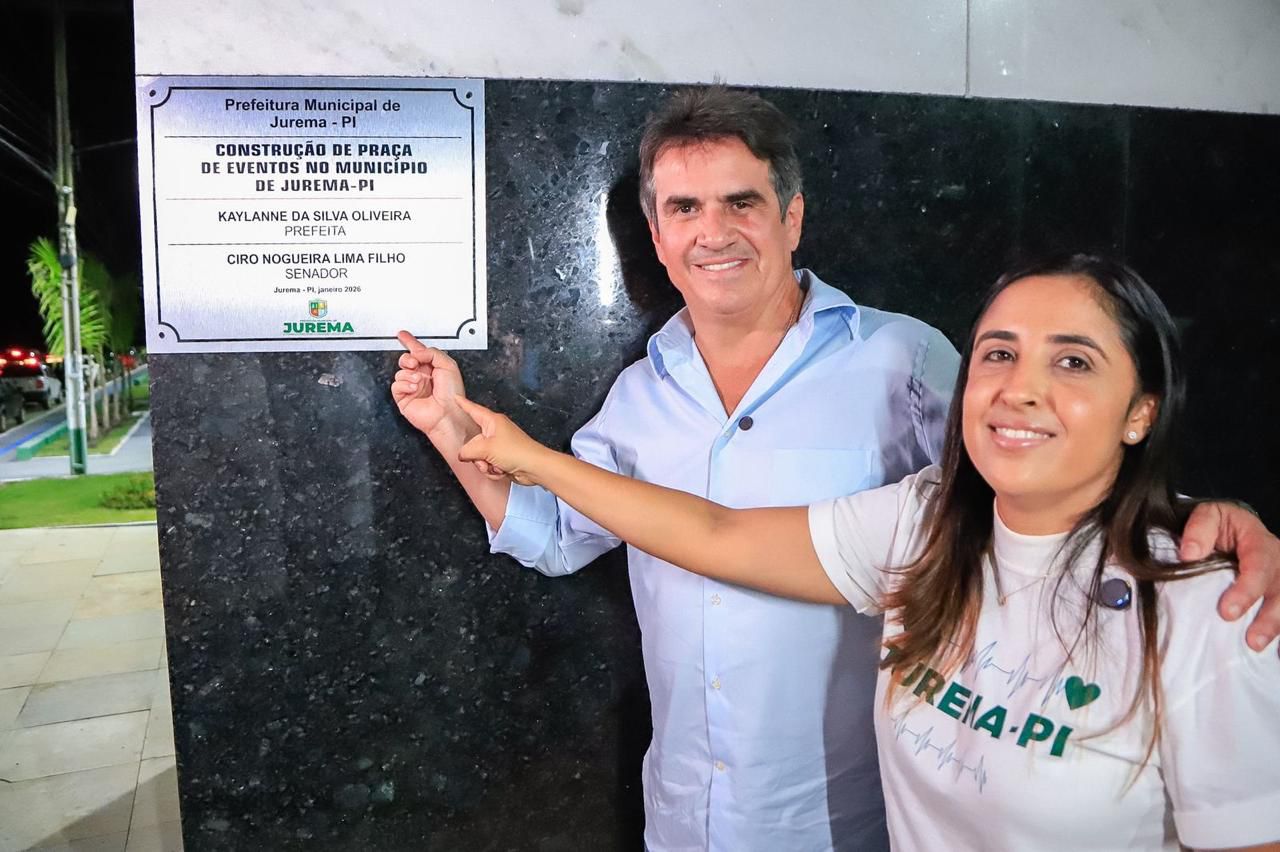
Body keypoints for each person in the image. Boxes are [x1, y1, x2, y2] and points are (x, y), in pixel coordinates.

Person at [392, 88, 1280, 851]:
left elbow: (1028, 473)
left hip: (848, 818)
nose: (713, 233)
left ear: (792, 217)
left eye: (741, 202)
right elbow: (554, 534)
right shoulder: (639, 392)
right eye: (685, 209)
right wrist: (453, 431)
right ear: (657, 237)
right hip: (686, 814)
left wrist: (1191, 524)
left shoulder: (902, 360)